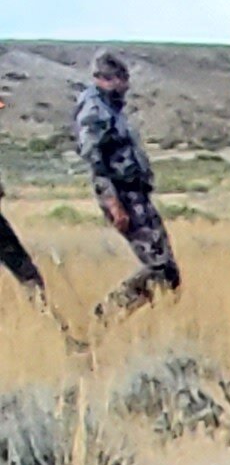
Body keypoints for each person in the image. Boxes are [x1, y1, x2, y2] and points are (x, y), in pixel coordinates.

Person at [73, 54, 180, 311]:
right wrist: (112, 202)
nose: (126, 86)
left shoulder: (111, 109)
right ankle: (105, 315)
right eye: (121, 80)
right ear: (105, 79)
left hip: (137, 195)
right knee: (159, 269)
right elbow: (94, 160)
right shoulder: (94, 110)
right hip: (123, 197)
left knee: (167, 270)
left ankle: (152, 321)